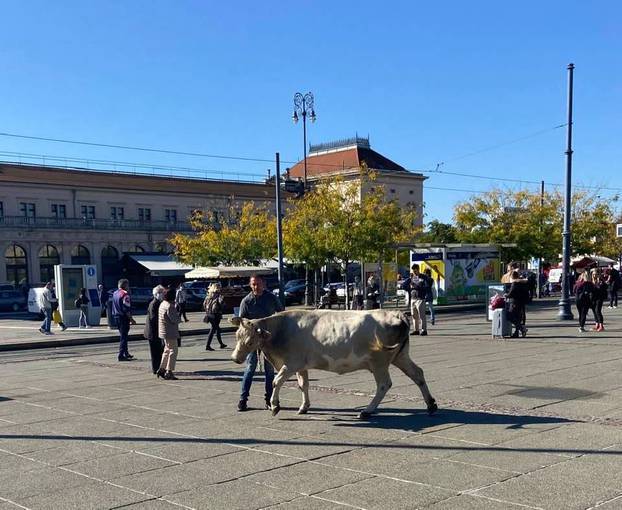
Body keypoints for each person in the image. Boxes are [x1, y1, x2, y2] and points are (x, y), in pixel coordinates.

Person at [237, 274, 284, 412]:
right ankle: (243, 399)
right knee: (250, 368)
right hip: (252, 341)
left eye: (257, 284)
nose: (255, 287)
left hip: (267, 339)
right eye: (253, 284)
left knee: (269, 371)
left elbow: (281, 314)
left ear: (263, 284)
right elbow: (242, 322)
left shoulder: (271, 298)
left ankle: (269, 399)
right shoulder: (246, 301)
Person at [158, 286, 182, 380]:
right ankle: (169, 371)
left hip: (163, 331)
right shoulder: (170, 306)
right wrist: (178, 316)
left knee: (166, 350)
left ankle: (162, 368)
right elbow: (174, 319)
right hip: (170, 331)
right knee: (173, 351)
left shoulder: (162, 304)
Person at [112, 279, 136, 361]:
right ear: (125, 285)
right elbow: (126, 308)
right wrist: (131, 319)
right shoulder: (125, 294)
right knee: (124, 337)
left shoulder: (115, 293)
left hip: (116, 316)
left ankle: (126, 353)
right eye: (128, 285)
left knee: (122, 335)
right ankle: (121, 354)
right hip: (123, 317)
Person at [144, 285, 165, 374]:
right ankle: (155, 368)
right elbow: (154, 318)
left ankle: (158, 368)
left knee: (159, 350)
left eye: (163, 293)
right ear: (156, 294)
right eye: (161, 293)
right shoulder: (154, 303)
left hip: (156, 331)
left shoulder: (158, 302)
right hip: (153, 331)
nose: (162, 295)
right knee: (155, 352)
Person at [408, 264, 432, 336]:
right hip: (413, 298)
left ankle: (424, 330)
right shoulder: (412, 277)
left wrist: (418, 287)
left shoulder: (423, 277)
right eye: (413, 271)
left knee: (422, 315)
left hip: (420, 298)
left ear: (418, 269)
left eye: (415, 271)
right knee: (414, 315)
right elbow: (409, 285)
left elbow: (427, 287)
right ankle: (416, 330)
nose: (414, 273)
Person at [505, 271, 530, 338]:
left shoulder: (515, 283)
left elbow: (511, 293)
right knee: (518, 317)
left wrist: (506, 295)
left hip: (514, 302)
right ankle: (516, 333)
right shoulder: (523, 283)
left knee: (510, 316)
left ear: (512, 276)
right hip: (521, 302)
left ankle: (522, 329)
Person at [204, 282, 227, 350]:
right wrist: (223, 300)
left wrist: (207, 311)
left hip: (209, 314)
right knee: (214, 329)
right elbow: (221, 303)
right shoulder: (218, 295)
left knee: (215, 329)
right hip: (216, 314)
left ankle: (221, 344)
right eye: (219, 287)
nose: (220, 288)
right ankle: (208, 345)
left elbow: (204, 304)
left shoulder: (208, 296)